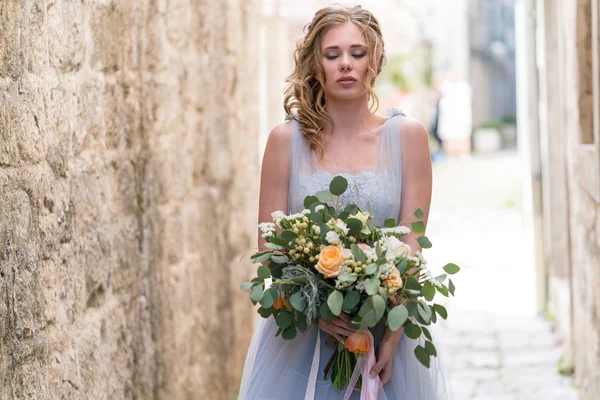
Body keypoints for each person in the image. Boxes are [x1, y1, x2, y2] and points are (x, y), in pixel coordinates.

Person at [239, 5, 452, 399]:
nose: (345, 64)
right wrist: (317, 307)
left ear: (375, 58)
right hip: (304, 332)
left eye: (357, 52)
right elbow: (269, 249)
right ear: (315, 63)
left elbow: (412, 244)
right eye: (332, 54)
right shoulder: (286, 142)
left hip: (387, 326)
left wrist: (392, 333)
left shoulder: (409, 137)